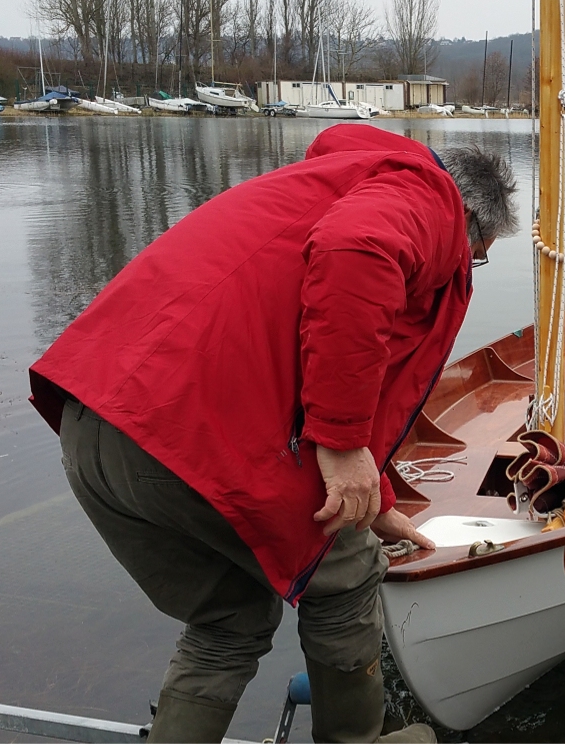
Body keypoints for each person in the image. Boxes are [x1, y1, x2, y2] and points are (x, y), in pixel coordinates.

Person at [28, 125, 518, 743]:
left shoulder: (327, 183)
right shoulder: (423, 196)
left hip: (95, 425)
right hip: (191, 439)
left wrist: (382, 502)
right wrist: (340, 444)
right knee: (346, 577)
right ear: (469, 221)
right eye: (476, 257)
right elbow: (356, 249)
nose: (468, 269)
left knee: (228, 618)